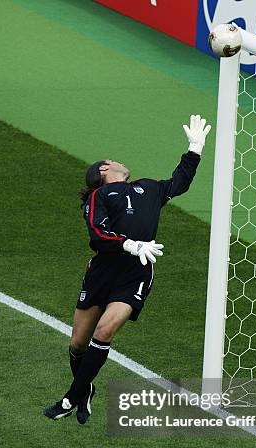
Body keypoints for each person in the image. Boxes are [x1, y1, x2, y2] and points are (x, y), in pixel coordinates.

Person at [44, 115, 211, 423]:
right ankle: (86, 390)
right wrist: (130, 244)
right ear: (104, 169)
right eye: (113, 160)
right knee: (78, 343)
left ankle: (71, 397)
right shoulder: (99, 196)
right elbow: (97, 232)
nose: (120, 162)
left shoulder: (149, 189)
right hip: (102, 272)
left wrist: (195, 148)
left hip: (136, 274)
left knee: (104, 331)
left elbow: (180, 182)